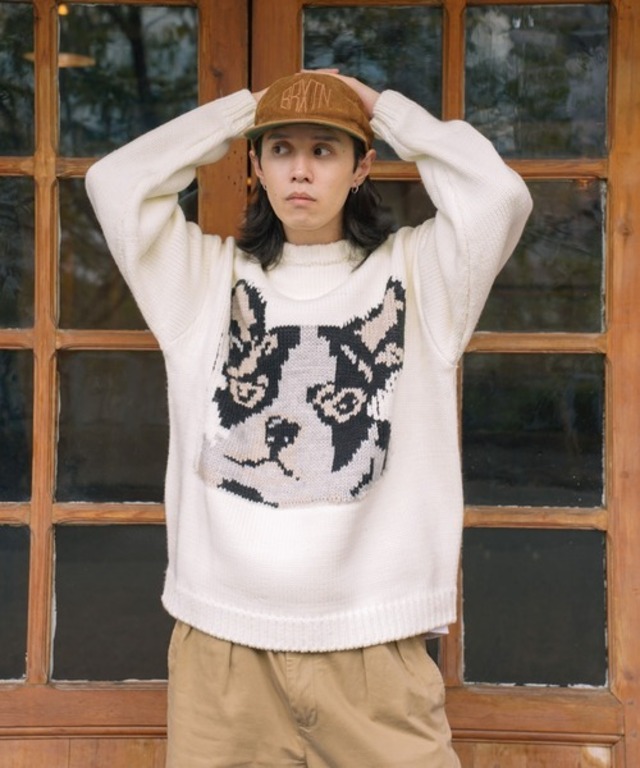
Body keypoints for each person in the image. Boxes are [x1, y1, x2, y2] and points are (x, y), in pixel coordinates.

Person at [86, 69, 532, 767]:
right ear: (256, 165)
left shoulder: (420, 277)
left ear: (362, 167)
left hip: (373, 650)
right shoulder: (201, 282)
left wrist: (380, 107)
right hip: (224, 651)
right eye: (281, 150)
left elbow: (498, 196)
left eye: (324, 150)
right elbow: (114, 183)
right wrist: (247, 109)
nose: (300, 170)